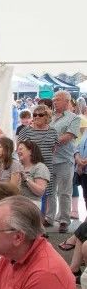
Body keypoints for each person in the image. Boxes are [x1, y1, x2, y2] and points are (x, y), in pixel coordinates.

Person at [45, 90, 81, 232]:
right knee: (50, 191)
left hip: (64, 160)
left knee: (64, 192)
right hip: (49, 159)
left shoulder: (74, 118)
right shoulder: (50, 117)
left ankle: (64, 220)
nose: (54, 101)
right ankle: (49, 217)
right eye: (54, 99)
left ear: (67, 101)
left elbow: (69, 136)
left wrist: (51, 141)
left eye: (58, 99)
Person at [18, 104, 59, 216]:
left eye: (40, 115)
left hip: (47, 167)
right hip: (30, 167)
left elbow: (54, 148)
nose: (36, 117)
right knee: (30, 193)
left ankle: (42, 221)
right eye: (34, 115)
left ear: (47, 117)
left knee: (45, 195)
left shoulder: (53, 132)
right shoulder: (26, 131)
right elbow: (19, 148)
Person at [17, 140, 50, 209]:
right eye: (17, 150)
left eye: (21, 149)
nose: (18, 152)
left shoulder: (40, 167)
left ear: (30, 151)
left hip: (32, 205)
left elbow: (40, 191)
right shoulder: (19, 166)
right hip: (18, 203)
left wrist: (26, 179)